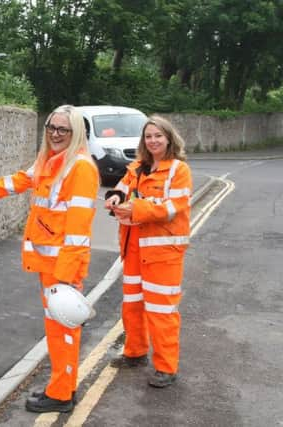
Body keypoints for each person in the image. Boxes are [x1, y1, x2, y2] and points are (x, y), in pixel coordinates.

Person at [0, 105, 99, 413]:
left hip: (62, 270)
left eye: (63, 129)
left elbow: (79, 230)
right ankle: (62, 387)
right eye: (51, 127)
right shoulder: (50, 162)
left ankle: (62, 395)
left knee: (63, 332)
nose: (55, 133)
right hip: (50, 268)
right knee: (57, 331)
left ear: (75, 132)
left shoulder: (79, 168)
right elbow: (18, 181)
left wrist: (66, 277)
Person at [104, 115, 192, 388]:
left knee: (161, 311)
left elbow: (170, 208)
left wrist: (135, 208)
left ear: (169, 139)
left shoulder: (179, 170)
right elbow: (120, 188)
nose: (153, 141)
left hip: (163, 252)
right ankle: (135, 352)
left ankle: (166, 367)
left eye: (158, 136)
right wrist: (115, 198)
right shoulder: (137, 167)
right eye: (148, 136)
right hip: (133, 248)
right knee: (132, 305)